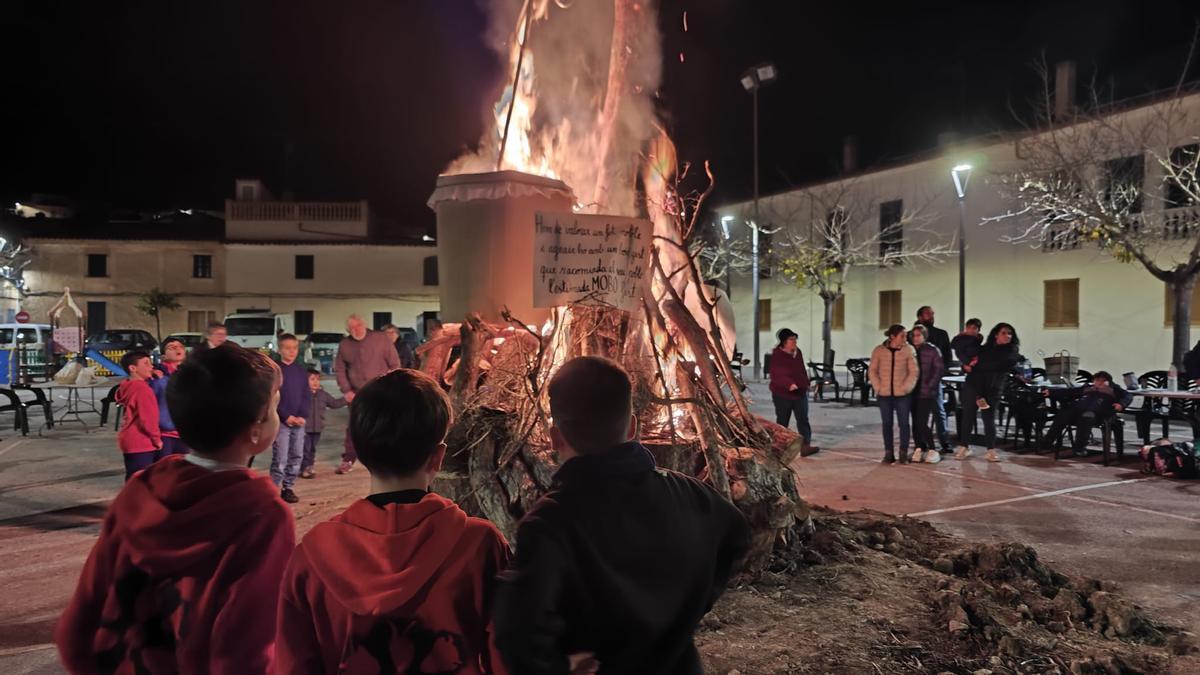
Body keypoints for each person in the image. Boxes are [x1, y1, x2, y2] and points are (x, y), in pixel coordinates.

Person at [493, 356, 750, 674]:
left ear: (554, 437)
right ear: (632, 427)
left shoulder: (550, 523)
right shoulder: (691, 494)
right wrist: (692, 605)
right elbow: (737, 536)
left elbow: (517, 629)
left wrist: (558, 667)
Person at [56, 345, 293, 674]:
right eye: (275, 407)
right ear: (257, 426)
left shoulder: (140, 489)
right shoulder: (262, 514)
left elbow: (81, 619)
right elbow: (244, 648)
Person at [276, 369, 510, 674]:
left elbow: (293, 664)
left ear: (358, 452)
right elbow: (507, 656)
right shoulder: (480, 545)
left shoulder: (311, 555)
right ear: (438, 458)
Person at [334, 314, 402, 474]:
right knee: (354, 426)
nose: (355, 330)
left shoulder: (381, 339)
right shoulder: (345, 344)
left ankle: (387, 459)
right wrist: (346, 390)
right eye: (351, 328)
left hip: (381, 390)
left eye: (357, 325)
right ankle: (349, 458)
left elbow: (395, 364)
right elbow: (340, 368)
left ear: (364, 324)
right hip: (357, 393)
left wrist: (392, 387)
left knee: (385, 425)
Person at [955, 322, 1022, 462]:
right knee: (968, 415)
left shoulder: (1012, 350)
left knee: (988, 418)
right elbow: (971, 361)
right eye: (1004, 333)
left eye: (1010, 333)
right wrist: (966, 366)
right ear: (996, 334)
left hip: (993, 388)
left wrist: (979, 365)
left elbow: (1003, 364)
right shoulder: (985, 348)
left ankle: (991, 450)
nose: (1007, 336)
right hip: (974, 385)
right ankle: (964, 446)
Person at [1040, 371, 1133, 456]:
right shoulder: (1089, 388)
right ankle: (1047, 442)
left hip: (1099, 414)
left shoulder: (1114, 390)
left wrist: (1121, 404)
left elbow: (1128, 396)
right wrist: (1051, 392)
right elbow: (1071, 391)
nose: (1099, 383)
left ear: (1108, 382)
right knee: (1064, 413)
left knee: (1087, 417)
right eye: (1097, 380)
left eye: (1102, 381)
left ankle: (1079, 448)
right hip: (1079, 409)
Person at [869, 325, 919, 464]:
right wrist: (878, 386)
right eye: (902, 335)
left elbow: (914, 372)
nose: (905, 338)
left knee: (904, 424)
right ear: (892, 336)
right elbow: (872, 370)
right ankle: (888, 453)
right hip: (884, 394)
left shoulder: (908, 350)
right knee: (887, 424)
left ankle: (903, 453)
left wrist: (906, 388)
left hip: (902, 394)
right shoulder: (879, 351)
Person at [271, 334, 311, 503]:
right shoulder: (275, 372)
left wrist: (302, 415)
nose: (291, 351)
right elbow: (273, 397)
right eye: (287, 348)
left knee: (296, 455)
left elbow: (306, 395)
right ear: (280, 350)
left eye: (294, 347)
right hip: (282, 422)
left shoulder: (301, 372)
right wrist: (286, 416)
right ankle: (273, 490)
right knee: (280, 457)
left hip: (299, 423)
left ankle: (288, 487)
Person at [116, 350, 163, 480]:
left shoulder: (128, 385)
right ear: (133, 368)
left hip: (129, 439)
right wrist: (156, 439)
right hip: (141, 441)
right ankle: (131, 500)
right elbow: (148, 419)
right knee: (140, 480)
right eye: (146, 363)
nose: (151, 366)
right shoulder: (142, 389)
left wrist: (152, 375)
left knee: (133, 477)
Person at [915, 306, 953, 452]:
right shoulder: (910, 335)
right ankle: (921, 443)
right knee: (918, 415)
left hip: (934, 381)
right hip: (916, 382)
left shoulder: (941, 335)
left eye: (932, 313)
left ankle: (944, 442)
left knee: (939, 411)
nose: (931, 316)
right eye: (927, 314)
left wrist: (937, 376)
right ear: (919, 316)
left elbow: (947, 357)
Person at [767, 328, 812, 444]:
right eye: (791, 339)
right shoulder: (777, 355)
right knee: (782, 421)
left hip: (800, 393)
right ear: (784, 342)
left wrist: (805, 383)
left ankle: (806, 445)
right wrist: (789, 384)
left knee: (803, 419)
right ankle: (780, 445)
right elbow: (777, 374)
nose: (794, 342)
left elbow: (801, 370)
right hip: (782, 394)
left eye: (795, 339)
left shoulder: (798, 353)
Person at [299, 368, 346, 479]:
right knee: (305, 448)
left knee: (312, 449)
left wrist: (346, 399)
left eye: (318, 379)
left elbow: (334, 403)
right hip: (304, 428)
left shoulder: (323, 394)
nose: (316, 382)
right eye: (312, 379)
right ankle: (304, 468)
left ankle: (310, 466)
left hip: (317, 428)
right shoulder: (302, 394)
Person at [909, 325, 945, 464]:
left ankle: (932, 448)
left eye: (919, 335)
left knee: (921, 421)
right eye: (914, 335)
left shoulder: (932, 350)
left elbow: (938, 369)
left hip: (927, 392)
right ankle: (919, 447)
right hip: (912, 391)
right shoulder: (910, 350)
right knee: (915, 422)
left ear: (924, 336)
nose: (916, 338)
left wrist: (930, 386)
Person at [150, 337, 188, 456]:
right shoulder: (156, 375)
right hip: (164, 433)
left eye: (181, 347)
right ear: (163, 356)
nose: (178, 349)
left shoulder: (190, 373)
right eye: (172, 347)